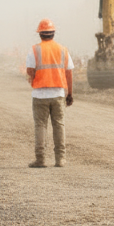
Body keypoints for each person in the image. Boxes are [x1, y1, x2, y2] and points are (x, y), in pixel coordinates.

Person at [25, 19, 73, 167]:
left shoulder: (34, 50)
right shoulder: (63, 50)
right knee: (59, 125)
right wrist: (69, 93)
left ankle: (40, 159)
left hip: (39, 95)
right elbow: (69, 73)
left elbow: (30, 71)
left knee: (40, 126)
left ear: (40, 34)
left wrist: (33, 82)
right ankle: (60, 159)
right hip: (58, 94)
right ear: (53, 34)